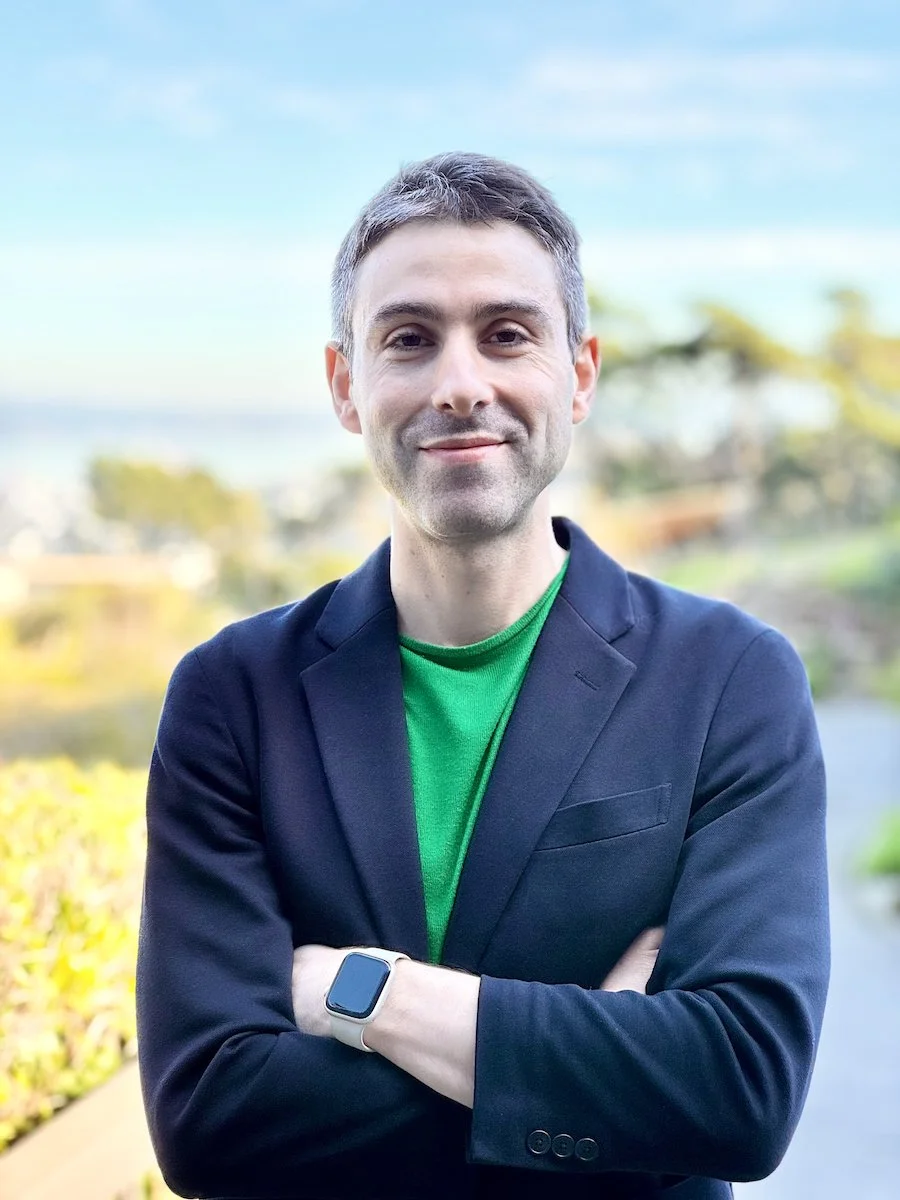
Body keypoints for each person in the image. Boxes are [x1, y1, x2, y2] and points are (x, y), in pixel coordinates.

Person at [136, 153, 829, 1200]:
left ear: (580, 374)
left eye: (506, 334)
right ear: (345, 386)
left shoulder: (732, 678)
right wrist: (603, 1060)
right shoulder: (233, 696)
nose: (461, 384)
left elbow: (740, 1088)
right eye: (408, 339)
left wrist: (362, 997)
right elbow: (206, 1121)